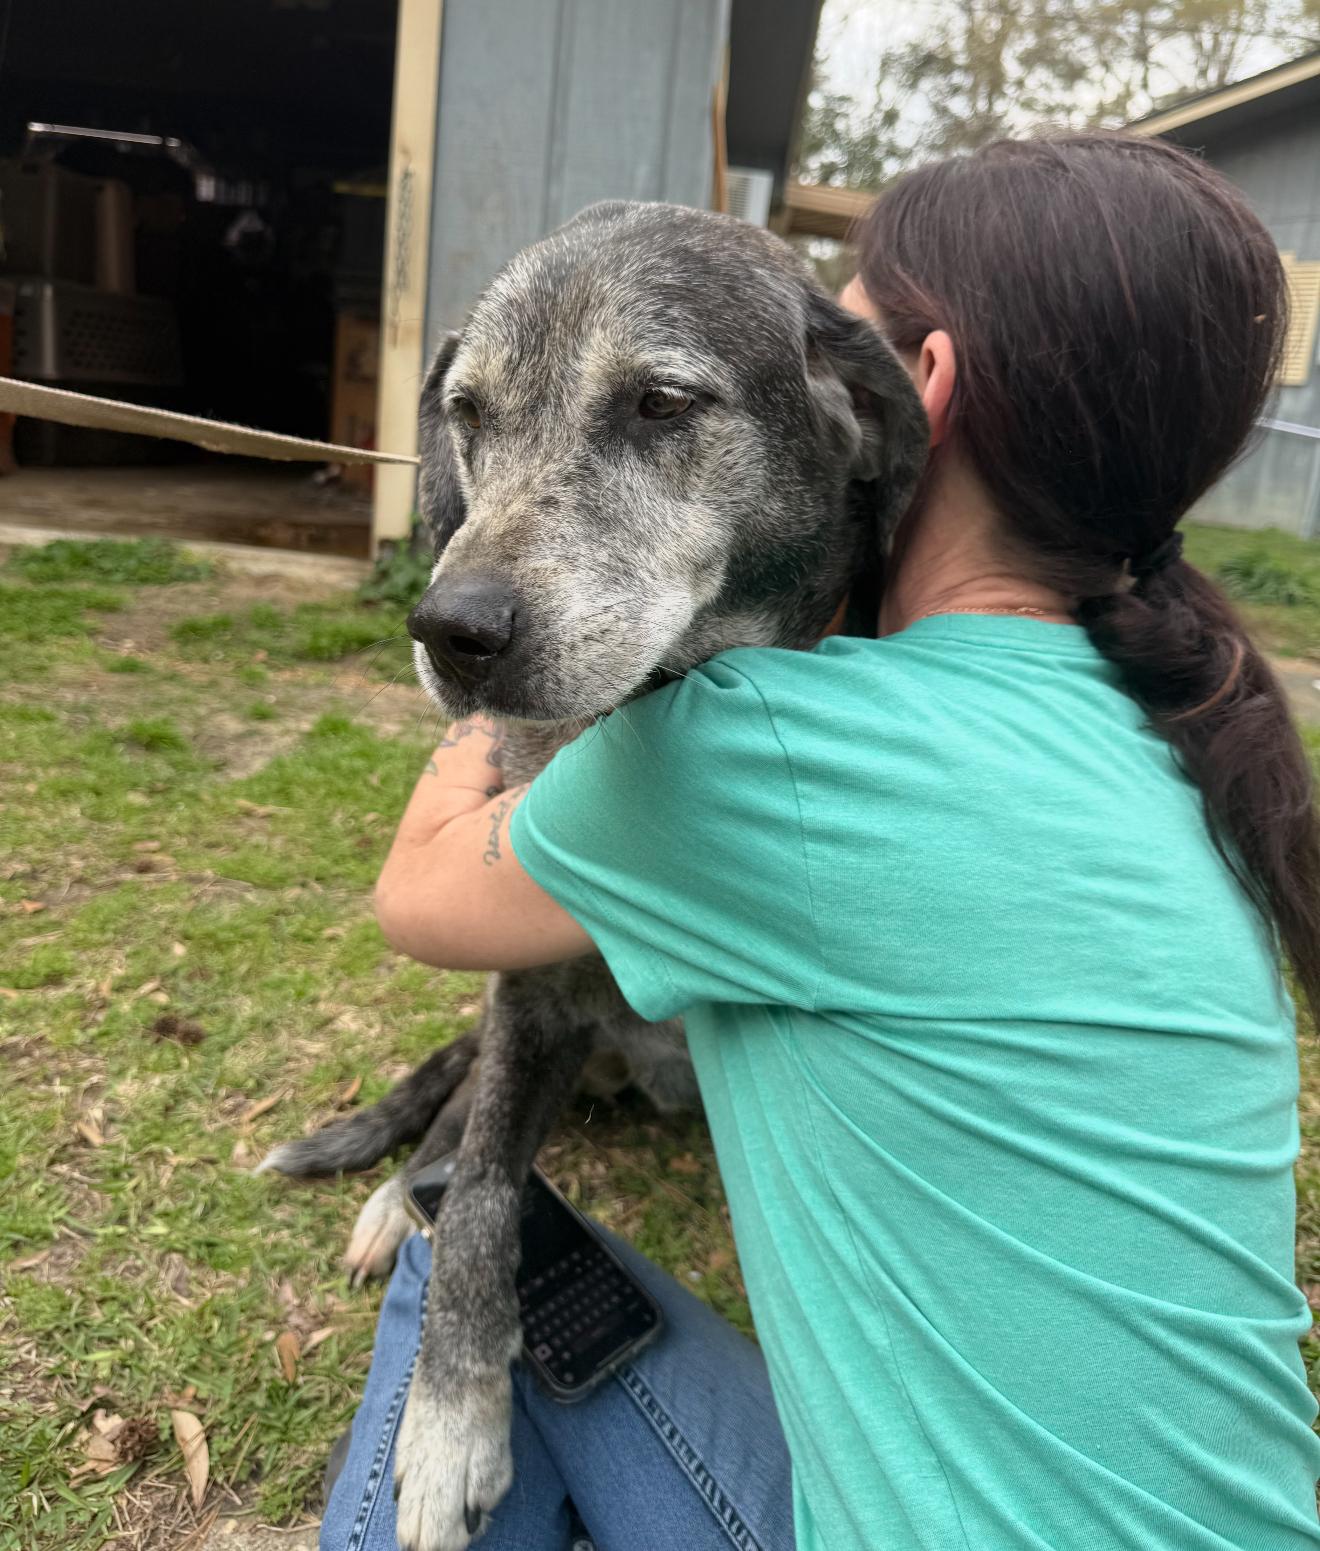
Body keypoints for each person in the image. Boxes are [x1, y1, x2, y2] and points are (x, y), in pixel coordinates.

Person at [320, 133, 1320, 1551]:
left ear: (902, 397)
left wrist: (500, 706)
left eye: (662, 406)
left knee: (460, 1253)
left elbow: (419, 896)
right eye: (478, 420)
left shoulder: (771, 753)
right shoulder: (1184, 726)